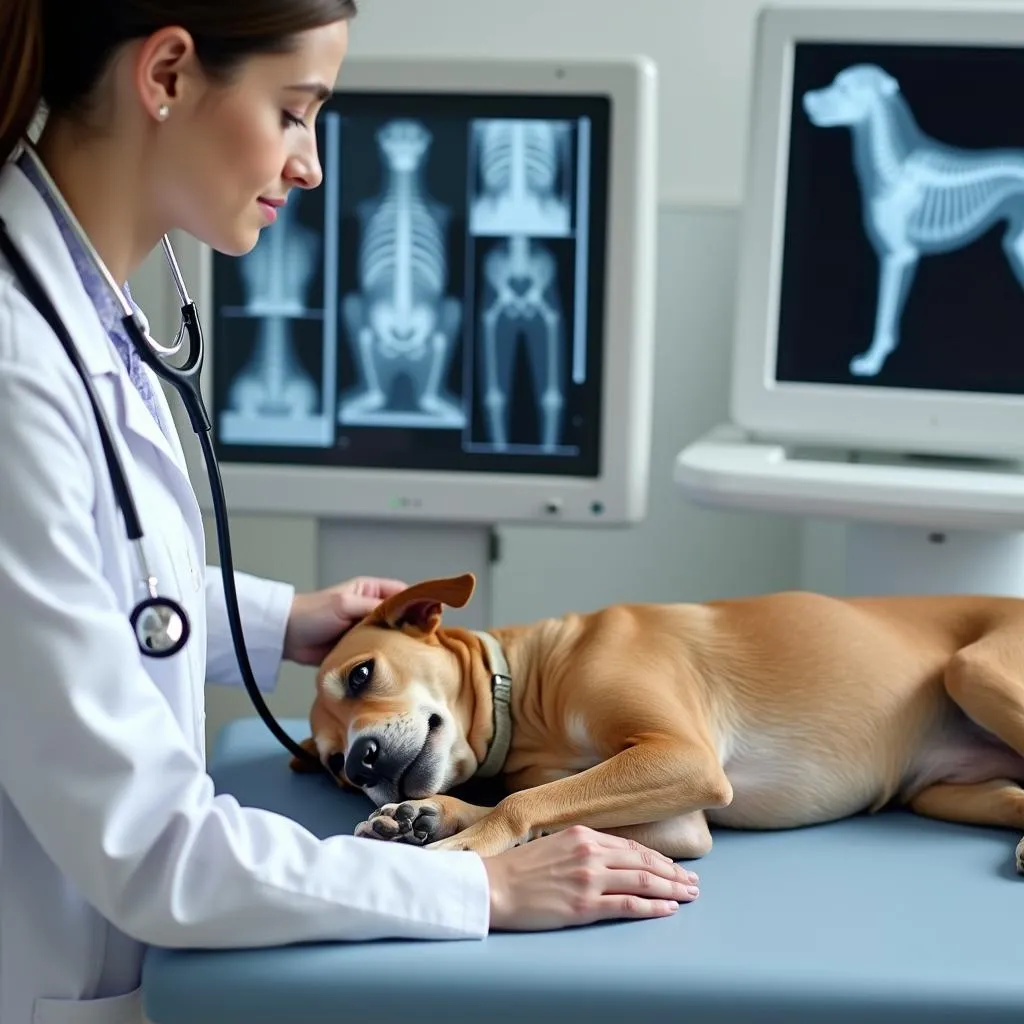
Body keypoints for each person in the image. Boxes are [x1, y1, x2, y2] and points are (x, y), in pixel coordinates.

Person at [0, 2, 699, 1021]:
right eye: (294, 113)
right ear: (165, 76)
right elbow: (149, 847)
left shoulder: (83, 317)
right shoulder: (18, 373)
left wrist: (284, 623)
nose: (311, 165)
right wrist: (478, 883)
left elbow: (101, 587)